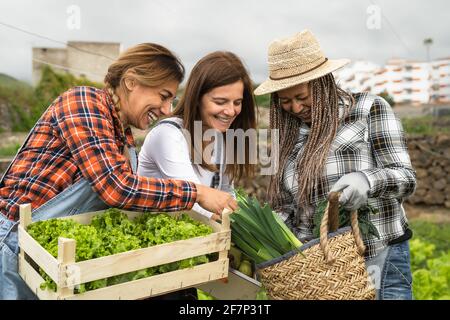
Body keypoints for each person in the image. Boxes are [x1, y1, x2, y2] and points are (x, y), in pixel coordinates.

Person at [0, 43, 237, 300]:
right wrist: (197, 193)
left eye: (172, 99)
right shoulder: (83, 103)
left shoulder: (121, 133)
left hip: (59, 254)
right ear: (132, 82)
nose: (167, 110)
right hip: (19, 246)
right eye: (163, 95)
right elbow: (117, 188)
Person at [254, 30, 417, 300]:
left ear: (322, 84)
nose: (295, 108)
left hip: (380, 256)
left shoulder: (368, 109)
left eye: (302, 97)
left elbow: (406, 178)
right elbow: (283, 206)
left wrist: (367, 181)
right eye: (285, 101)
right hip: (323, 271)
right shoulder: (284, 137)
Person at [138, 51, 257, 220]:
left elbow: (225, 193)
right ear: (197, 98)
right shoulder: (168, 135)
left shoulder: (220, 135)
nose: (231, 111)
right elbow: (195, 204)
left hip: (199, 238)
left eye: (237, 103)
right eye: (220, 102)